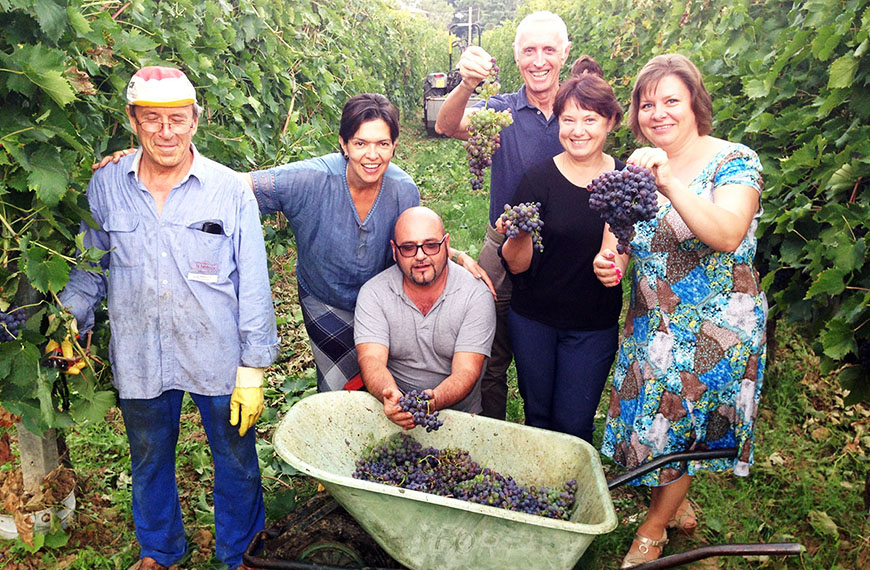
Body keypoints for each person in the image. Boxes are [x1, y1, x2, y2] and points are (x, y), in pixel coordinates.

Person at [98, 94, 493, 392]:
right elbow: (233, 187)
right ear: (343, 144)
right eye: (360, 143)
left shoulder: (402, 189)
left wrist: (454, 254)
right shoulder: (307, 180)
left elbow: (414, 241)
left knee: (385, 381)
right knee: (338, 389)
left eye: (383, 144)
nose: (372, 155)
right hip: (325, 301)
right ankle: (337, 467)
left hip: (385, 302)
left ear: (394, 145)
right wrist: (153, 160)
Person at [57, 66, 279, 570]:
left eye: (177, 119)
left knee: (236, 459)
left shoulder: (227, 190)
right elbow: (92, 268)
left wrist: (254, 366)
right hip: (140, 353)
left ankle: (241, 554)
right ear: (133, 120)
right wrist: (70, 318)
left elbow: (254, 280)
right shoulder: (107, 186)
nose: (166, 132)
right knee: (149, 456)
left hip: (218, 354)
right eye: (153, 119)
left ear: (195, 120)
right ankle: (160, 550)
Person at [593, 54, 767, 567]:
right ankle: (674, 496)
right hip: (654, 320)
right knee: (655, 424)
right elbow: (619, 239)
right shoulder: (638, 166)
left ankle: (652, 530)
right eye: (648, 104)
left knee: (682, 427)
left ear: (695, 105)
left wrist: (669, 183)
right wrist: (610, 262)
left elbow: (727, 232)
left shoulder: (735, 160)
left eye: (671, 100)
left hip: (715, 327)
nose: (658, 113)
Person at [435, 10, 572, 420]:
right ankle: (493, 438)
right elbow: (447, 124)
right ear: (516, 56)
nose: (539, 60)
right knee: (491, 356)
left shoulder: (577, 113)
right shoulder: (501, 112)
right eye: (529, 50)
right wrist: (468, 83)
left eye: (549, 49)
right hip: (505, 244)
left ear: (565, 53)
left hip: (565, 251)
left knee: (550, 354)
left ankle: (548, 435)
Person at [497, 72, 624, 443]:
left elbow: (618, 253)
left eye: (590, 119)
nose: (578, 130)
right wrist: (517, 235)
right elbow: (517, 265)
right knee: (538, 417)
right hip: (534, 320)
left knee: (573, 425)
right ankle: (535, 494)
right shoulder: (537, 180)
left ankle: (568, 494)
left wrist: (610, 265)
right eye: (568, 119)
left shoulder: (622, 180)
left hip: (591, 326)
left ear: (610, 121)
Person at [354, 207, 496, 426]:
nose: (420, 256)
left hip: (459, 416)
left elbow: (467, 370)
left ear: (446, 245)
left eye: (431, 245)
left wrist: (431, 402)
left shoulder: (475, 295)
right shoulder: (374, 293)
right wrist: (390, 394)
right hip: (392, 414)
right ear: (394, 251)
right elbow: (371, 360)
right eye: (408, 248)